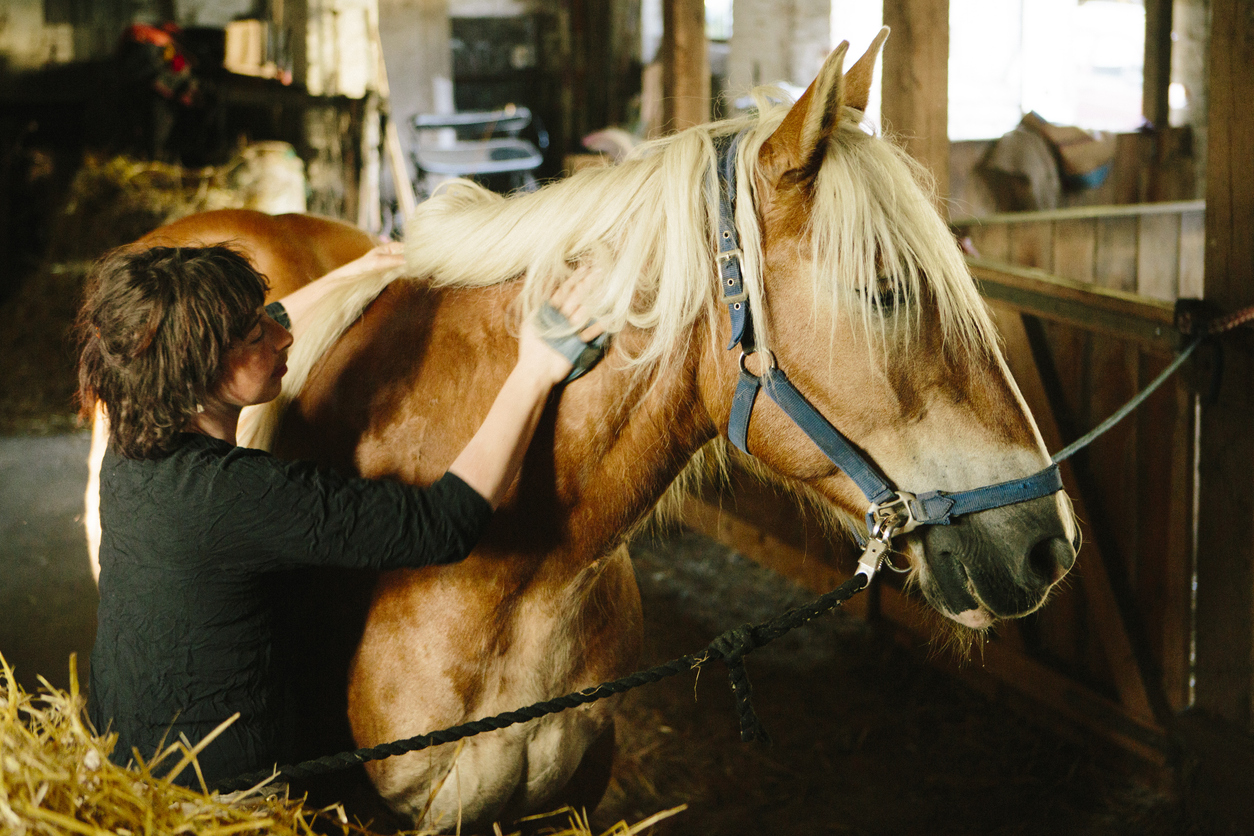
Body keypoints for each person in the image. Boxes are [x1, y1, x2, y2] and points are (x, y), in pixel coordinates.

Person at [75, 242, 604, 787]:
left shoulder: (132, 430)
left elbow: (269, 323)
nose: (283, 337)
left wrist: (355, 274)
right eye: (257, 336)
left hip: (122, 753)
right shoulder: (236, 494)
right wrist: (535, 369)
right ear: (199, 367)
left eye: (265, 319)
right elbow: (445, 522)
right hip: (217, 793)